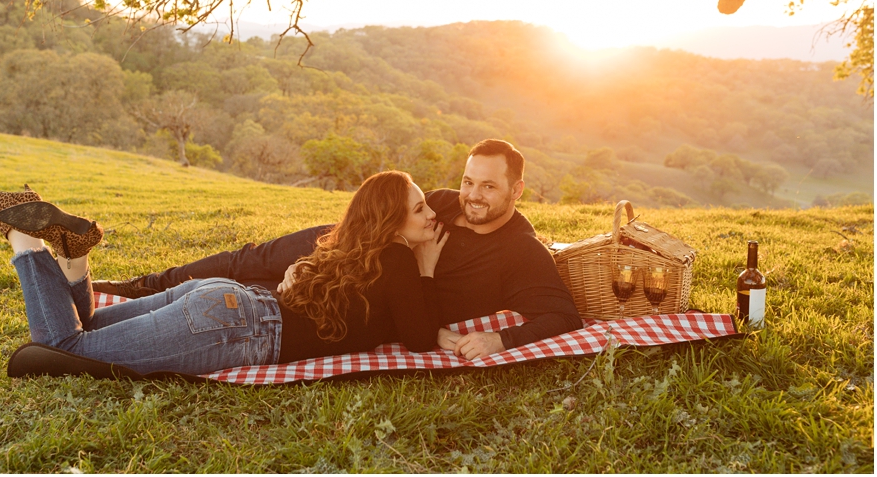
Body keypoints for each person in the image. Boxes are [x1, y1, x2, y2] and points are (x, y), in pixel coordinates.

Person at [95, 139, 583, 360]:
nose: (471, 196)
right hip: (345, 251)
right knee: (255, 259)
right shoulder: (440, 204)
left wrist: (501, 341)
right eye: (467, 181)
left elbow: (562, 316)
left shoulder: (521, 251)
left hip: (359, 297)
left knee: (253, 293)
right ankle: (144, 287)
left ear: (517, 190)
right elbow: (382, 217)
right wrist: (311, 263)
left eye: (489, 188)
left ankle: (172, 307)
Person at [0, 171, 448, 376]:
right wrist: (426, 270)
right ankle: (22, 233)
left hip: (224, 299)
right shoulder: (400, 259)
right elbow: (421, 340)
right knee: (61, 347)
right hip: (236, 326)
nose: (430, 217)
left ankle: (74, 255)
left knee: (86, 327)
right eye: (420, 209)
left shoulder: (345, 248)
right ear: (391, 220)